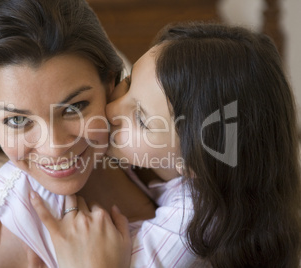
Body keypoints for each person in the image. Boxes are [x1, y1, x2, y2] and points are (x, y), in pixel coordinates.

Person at [0, 0, 154, 267]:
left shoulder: (163, 201)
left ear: (110, 83)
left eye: (74, 107)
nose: (54, 147)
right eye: (18, 119)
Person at [29, 22, 301, 267]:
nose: (111, 109)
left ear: (194, 161)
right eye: (129, 81)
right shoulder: (170, 167)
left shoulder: (197, 220)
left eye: (141, 119)